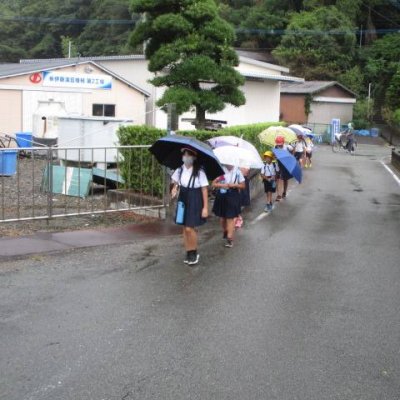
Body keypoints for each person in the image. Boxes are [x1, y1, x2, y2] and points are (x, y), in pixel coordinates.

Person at [170, 148, 209, 266]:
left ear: (194, 157)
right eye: (184, 155)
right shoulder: (180, 169)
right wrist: (174, 188)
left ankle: (194, 252)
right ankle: (188, 251)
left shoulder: (199, 171)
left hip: (195, 199)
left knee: (189, 228)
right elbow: (174, 182)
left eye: (188, 155)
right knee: (184, 228)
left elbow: (204, 189)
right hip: (183, 198)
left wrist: (205, 207)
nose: (186, 157)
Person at [212, 165, 246, 248]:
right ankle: (226, 231)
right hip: (221, 196)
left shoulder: (237, 172)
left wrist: (235, 185)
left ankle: (230, 238)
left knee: (229, 217)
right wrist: (222, 185)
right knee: (222, 218)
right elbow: (213, 183)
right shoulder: (221, 170)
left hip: (233, 196)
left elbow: (243, 186)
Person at [274, 136, 293, 201]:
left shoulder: (288, 147)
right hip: (278, 166)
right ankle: (279, 195)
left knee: (285, 180)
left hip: (286, 166)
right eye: (278, 144)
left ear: (283, 143)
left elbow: (293, 151)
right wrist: (275, 157)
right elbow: (274, 155)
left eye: (280, 144)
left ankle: (284, 192)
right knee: (278, 180)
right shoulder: (275, 147)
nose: (279, 146)